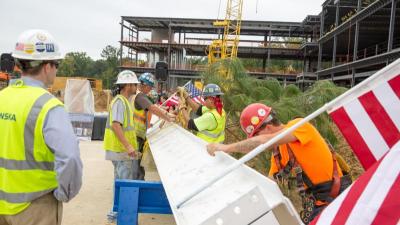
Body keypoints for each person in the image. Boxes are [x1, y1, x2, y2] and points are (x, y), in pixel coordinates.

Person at [207, 103, 352, 224]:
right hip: (319, 203)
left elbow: (261, 142)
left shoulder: (300, 126)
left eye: (255, 135)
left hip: (340, 194)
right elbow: (268, 185)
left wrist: (226, 148)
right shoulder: (278, 152)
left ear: (267, 128)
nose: (257, 140)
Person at [0, 29, 82, 225]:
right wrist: (64, 193)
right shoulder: (49, 106)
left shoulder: (3, 98)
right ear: (47, 67)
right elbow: (69, 158)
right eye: (57, 64)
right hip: (35, 205)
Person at [103, 70, 140, 222]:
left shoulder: (124, 101)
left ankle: (115, 213)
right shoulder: (120, 102)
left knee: (119, 183)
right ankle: (122, 217)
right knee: (126, 185)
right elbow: (116, 125)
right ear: (127, 85)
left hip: (119, 150)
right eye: (134, 84)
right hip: (121, 151)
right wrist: (129, 146)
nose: (136, 86)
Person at [132, 72, 176, 180]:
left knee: (137, 167)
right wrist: (167, 116)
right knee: (136, 168)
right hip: (135, 136)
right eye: (150, 87)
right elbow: (152, 108)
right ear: (145, 85)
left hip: (136, 136)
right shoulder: (140, 96)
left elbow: (154, 106)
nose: (151, 90)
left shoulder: (136, 95)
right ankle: (137, 186)